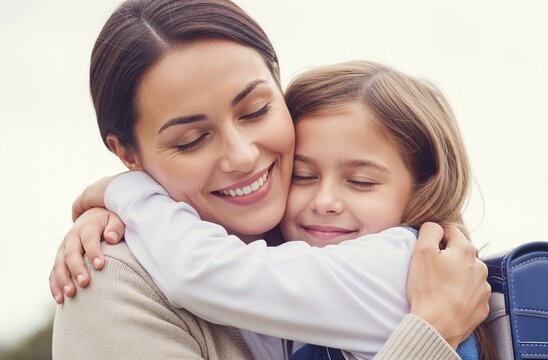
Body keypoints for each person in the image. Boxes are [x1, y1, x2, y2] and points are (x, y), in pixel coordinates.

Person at [49, 0, 490, 359]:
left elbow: (204, 271)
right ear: (127, 152)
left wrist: (129, 193)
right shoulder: (111, 285)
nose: (242, 157)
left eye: (257, 111)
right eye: (191, 140)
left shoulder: (400, 260)